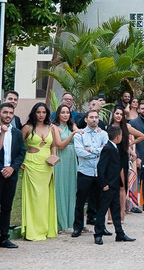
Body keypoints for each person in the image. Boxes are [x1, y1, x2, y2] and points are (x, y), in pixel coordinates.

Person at [0, 101, 25, 249]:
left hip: (11, 174)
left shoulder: (17, 133)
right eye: (5, 112)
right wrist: (2, 168)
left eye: (11, 113)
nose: (8, 115)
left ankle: (4, 237)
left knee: (7, 207)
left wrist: (13, 168)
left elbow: (21, 152)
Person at [20, 102, 58, 240]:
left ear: (47, 114)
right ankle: (32, 229)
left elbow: (53, 145)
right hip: (31, 164)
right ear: (34, 113)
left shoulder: (51, 128)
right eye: (38, 112)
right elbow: (17, 145)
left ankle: (45, 228)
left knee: (45, 197)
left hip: (47, 166)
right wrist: (20, 162)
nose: (41, 115)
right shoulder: (27, 128)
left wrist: (53, 157)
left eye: (44, 112)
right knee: (34, 197)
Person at [94, 125, 134, 244]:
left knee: (116, 209)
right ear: (118, 136)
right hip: (108, 185)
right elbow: (100, 167)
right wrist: (103, 183)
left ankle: (119, 233)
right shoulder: (108, 148)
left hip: (115, 184)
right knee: (102, 209)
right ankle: (98, 233)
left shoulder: (114, 147)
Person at [72, 109, 107, 238]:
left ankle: (101, 227)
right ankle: (78, 227)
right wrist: (97, 153)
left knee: (100, 201)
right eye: (91, 117)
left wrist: (91, 150)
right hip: (84, 172)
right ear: (86, 119)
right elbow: (80, 152)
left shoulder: (103, 134)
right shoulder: (79, 135)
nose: (94, 119)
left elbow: (106, 151)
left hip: (99, 173)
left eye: (96, 117)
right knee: (80, 201)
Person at [52, 104, 80, 234]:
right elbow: (60, 145)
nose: (65, 115)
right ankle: (60, 223)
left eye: (67, 112)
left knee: (72, 189)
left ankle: (73, 221)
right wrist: (73, 134)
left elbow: (81, 134)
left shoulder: (72, 125)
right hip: (61, 160)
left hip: (72, 160)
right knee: (61, 189)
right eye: (62, 112)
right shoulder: (55, 128)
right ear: (58, 114)